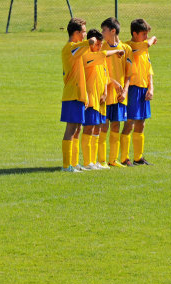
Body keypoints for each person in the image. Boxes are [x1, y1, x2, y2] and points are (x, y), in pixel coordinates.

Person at [79, 29, 124, 170]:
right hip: (91, 98)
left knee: (97, 128)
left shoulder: (101, 59)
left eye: (100, 44)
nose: (99, 47)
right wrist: (117, 51)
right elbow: (104, 53)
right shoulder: (88, 56)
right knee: (89, 128)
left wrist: (105, 92)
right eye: (97, 44)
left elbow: (104, 77)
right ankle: (87, 162)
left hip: (101, 100)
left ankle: (95, 161)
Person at [61, 17, 97, 172]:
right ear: (76, 33)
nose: (85, 35)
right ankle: (66, 166)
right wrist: (90, 40)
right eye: (83, 32)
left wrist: (86, 96)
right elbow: (85, 44)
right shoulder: (69, 48)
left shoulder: (78, 49)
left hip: (79, 95)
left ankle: (74, 163)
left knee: (77, 129)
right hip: (71, 94)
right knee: (70, 128)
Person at [99, 17, 134, 167]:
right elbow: (99, 70)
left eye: (104, 30)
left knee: (115, 126)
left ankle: (113, 160)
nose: (102, 33)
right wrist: (112, 82)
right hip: (105, 93)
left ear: (113, 31)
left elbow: (129, 73)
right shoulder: (102, 48)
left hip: (120, 96)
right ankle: (101, 160)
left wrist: (125, 90)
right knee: (103, 126)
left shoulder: (126, 49)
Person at [123, 19, 157, 165]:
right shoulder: (130, 47)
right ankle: (124, 158)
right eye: (143, 34)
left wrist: (151, 88)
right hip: (133, 88)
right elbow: (148, 43)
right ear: (134, 33)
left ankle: (138, 157)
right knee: (129, 122)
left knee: (141, 123)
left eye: (147, 34)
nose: (145, 37)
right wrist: (153, 38)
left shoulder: (144, 49)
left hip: (144, 89)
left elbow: (149, 70)